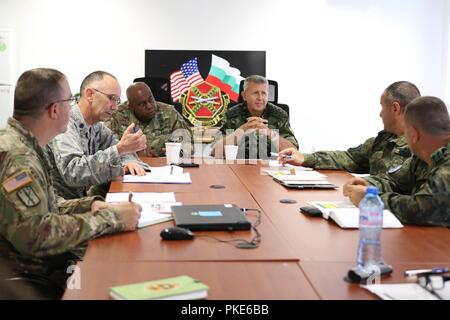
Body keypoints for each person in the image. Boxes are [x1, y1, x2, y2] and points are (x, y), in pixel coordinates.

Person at [0, 68, 141, 298]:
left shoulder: (26, 145)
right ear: (55, 110)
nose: (74, 106)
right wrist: (112, 218)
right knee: (118, 271)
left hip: (36, 264)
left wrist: (91, 205)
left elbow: (50, 205)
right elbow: (36, 236)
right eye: (70, 100)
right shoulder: (19, 159)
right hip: (27, 274)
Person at [343, 96, 450, 227]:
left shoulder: (446, 166)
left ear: (413, 135)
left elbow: (422, 208)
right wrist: (368, 184)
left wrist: (370, 200)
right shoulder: (424, 157)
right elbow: (397, 181)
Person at [46, 71, 150, 199]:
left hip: (80, 201)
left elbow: (118, 146)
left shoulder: (96, 126)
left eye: (117, 100)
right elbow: (72, 172)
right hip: (60, 208)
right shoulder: (66, 124)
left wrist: (129, 161)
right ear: (90, 95)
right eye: (112, 98)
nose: (115, 107)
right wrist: (120, 150)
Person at [279, 81, 421, 175]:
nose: (380, 114)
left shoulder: (421, 146)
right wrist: (304, 158)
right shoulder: (383, 140)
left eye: (382, 107)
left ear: (395, 108)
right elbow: (349, 158)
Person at [212, 75, 298, 159]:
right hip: (239, 166)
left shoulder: (280, 115)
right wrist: (242, 130)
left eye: (263, 93)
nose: (260, 98)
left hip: (271, 167)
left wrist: (270, 133)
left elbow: (293, 152)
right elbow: (215, 151)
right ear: (244, 95)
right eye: (255, 93)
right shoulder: (232, 115)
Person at [106, 82, 192, 157]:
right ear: (131, 106)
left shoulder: (169, 112)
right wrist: (133, 152)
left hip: (164, 167)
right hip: (131, 167)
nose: (149, 106)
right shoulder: (117, 115)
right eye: (142, 104)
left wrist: (174, 152)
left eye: (151, 99)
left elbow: (191, 144)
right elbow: (107, 149)